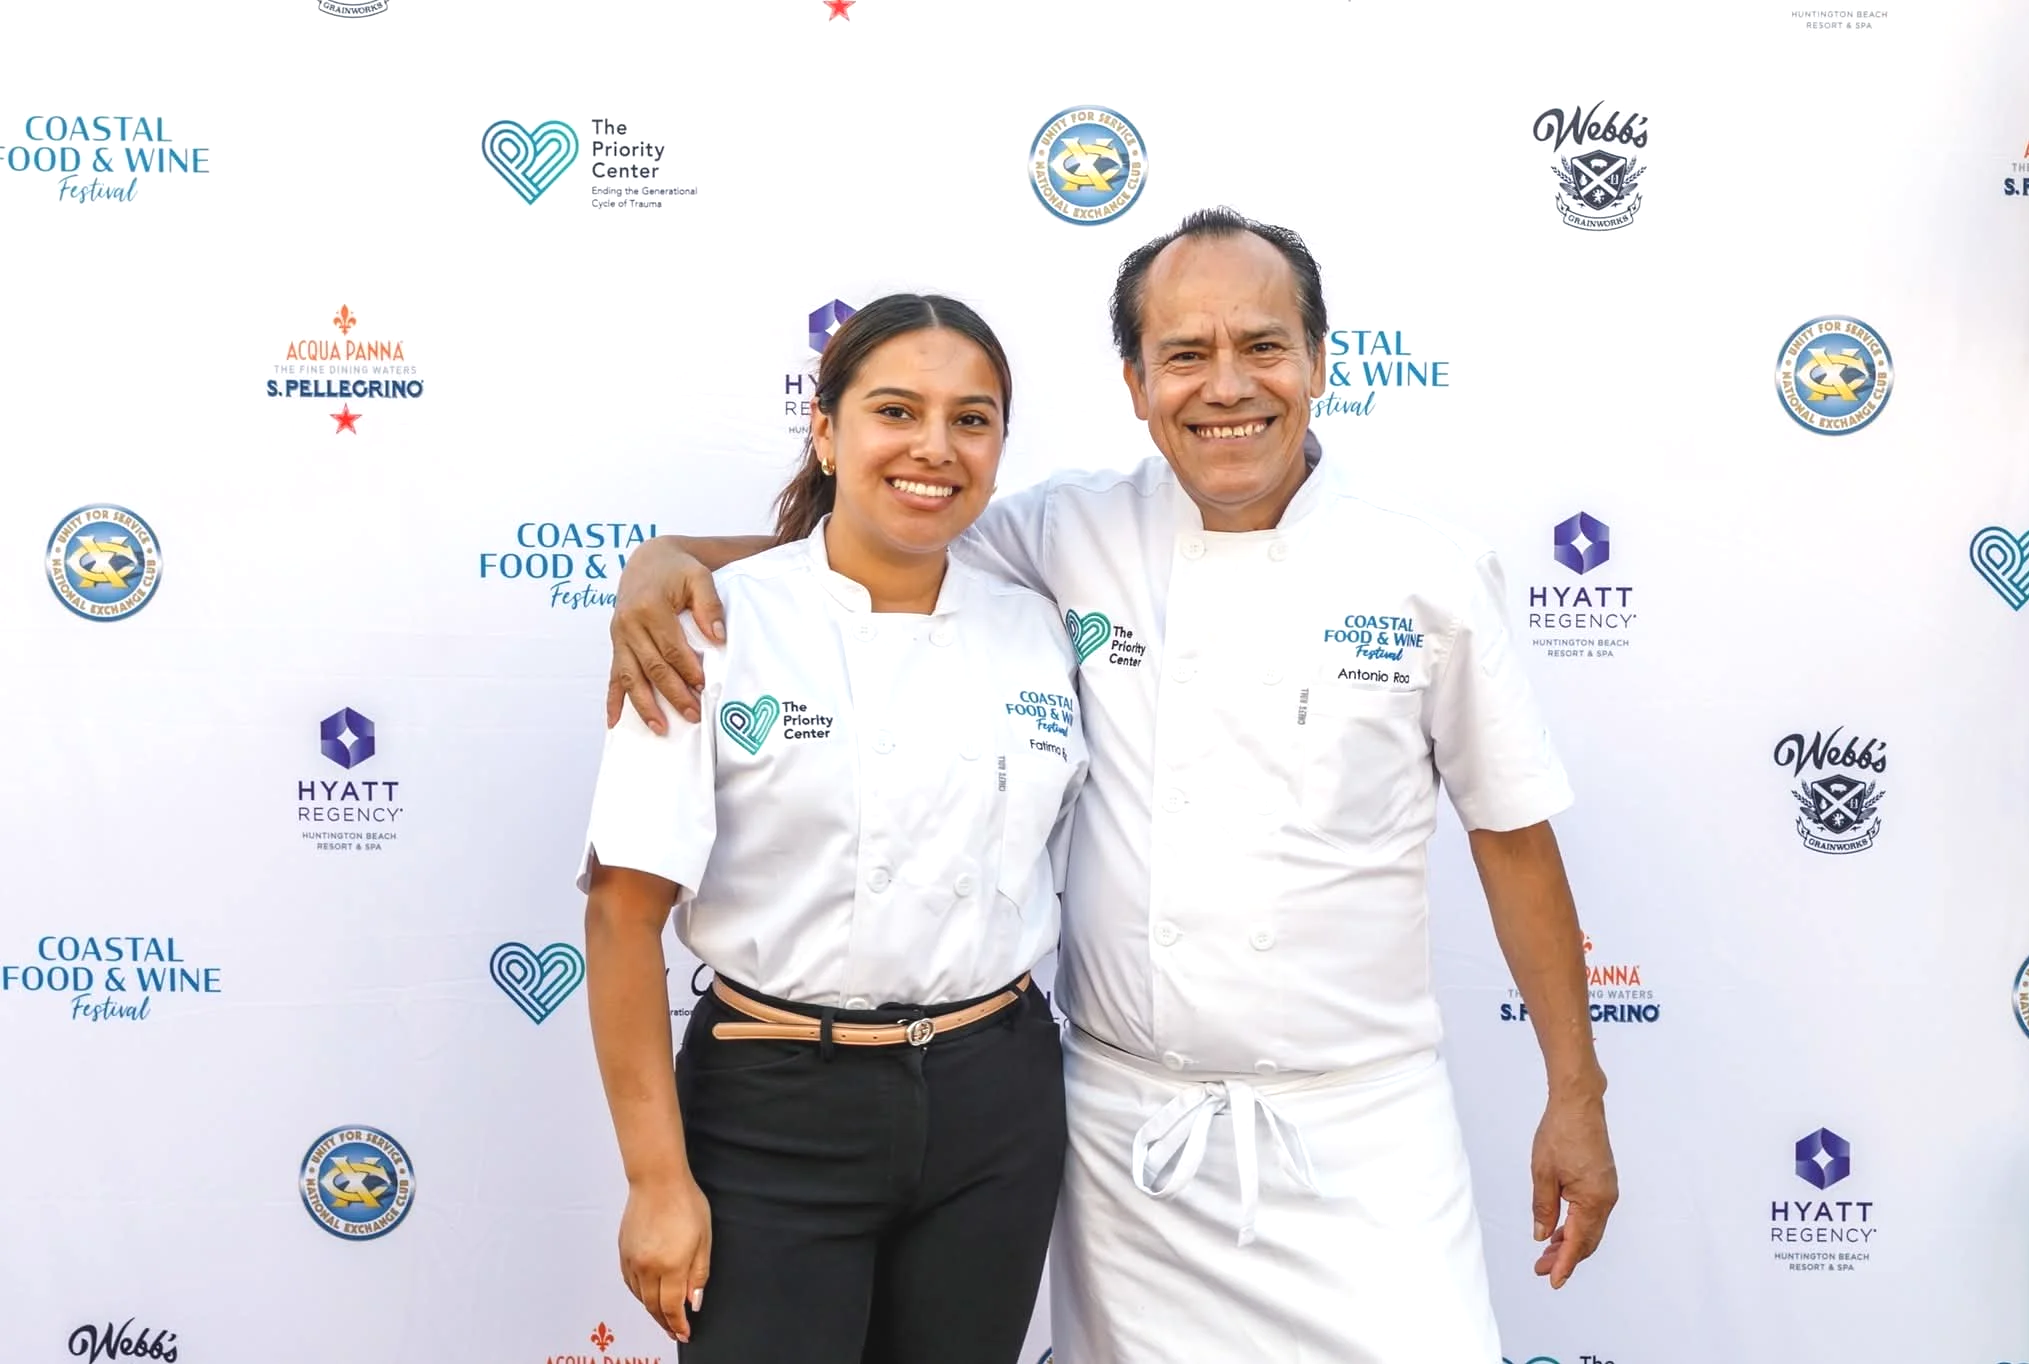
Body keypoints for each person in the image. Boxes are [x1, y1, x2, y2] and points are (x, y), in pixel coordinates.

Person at [604, 209, 1619, 1363]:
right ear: (1136, 384)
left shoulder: (1430, 574)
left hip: (1364, 1130)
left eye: (1263, 345)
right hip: (1127, 1135)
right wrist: (668, 559)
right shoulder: (1065, 531)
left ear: (1322, 362)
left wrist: (1574, 1092)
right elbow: (874, 536)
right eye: (1184, 354)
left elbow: (1513, 840)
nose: (1226, 385)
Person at [577, 293, 1087, 1364]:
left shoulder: (1040, 626)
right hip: (774, 1107)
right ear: (825, 428)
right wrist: (656, 1179)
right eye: (895, 410)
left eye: (972, 418)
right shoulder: (710, 623)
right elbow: (624, 917)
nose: (933, 448)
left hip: (996, 1103)